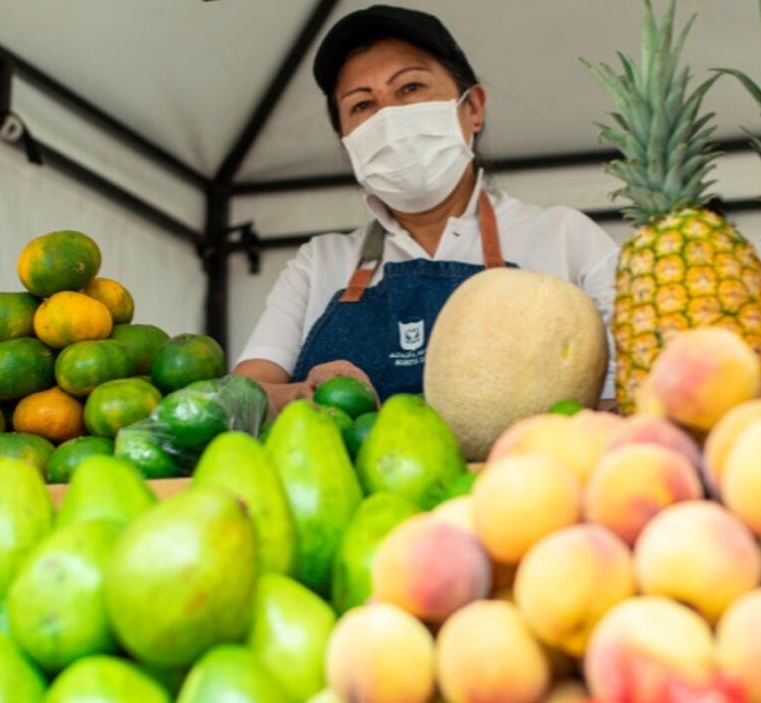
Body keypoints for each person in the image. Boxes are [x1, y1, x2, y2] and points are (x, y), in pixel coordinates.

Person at [234, 5, 617, 412]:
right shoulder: (318, 264)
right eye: (362, 105)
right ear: (346, 141)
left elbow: (622, 403)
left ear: (472, 109)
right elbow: (241, 397)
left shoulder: (565, 239)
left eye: (410, 88)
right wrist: (307, 394)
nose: (389, 117)